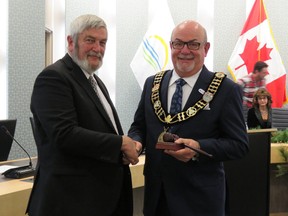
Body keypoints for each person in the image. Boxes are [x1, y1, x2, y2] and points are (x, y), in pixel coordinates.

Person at [128, 20, 249, 216]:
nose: (185, 50)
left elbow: (239, 145)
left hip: (200, 200)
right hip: (157, 197)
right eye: (178, 43)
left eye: (193, 44)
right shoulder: (152, 84)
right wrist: (136, 142)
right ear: (171, 46)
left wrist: (198, 148)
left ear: (206, 48)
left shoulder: (225, 90)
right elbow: (139, 126)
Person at [26, 14, 140, 216]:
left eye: (102, 42)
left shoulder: (95, 82)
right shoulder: (54, 77)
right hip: (70, 202)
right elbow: (65, 134)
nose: (98, 48)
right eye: (90, 40)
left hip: (99, 200)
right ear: (71, 42)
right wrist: (120, 143)